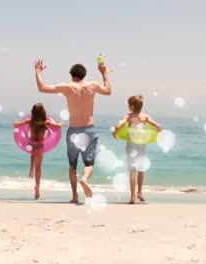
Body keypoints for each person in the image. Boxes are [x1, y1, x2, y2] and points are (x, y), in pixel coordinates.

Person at [34, 58, 112, 203]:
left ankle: (75, 196)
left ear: (72, 75)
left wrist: (38, 72)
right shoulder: (93, 85)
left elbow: (42, 88)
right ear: (84, 75)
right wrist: (103, 73)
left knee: (72, 165)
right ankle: (84, 179)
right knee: (89, 164)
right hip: (89, 129)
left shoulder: (67, 87)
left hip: (74, 130)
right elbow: (108, 91)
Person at [112, 95, 162, 204]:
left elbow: (118, 126)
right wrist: (157, 134)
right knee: (141, 169)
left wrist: (115, 133)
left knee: (132, 171)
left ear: (133, 106)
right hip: (142, 144)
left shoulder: (128, 116)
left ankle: (133, 196)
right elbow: (158, 126)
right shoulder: (145, 117)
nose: (127, 106)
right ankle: (140, 192)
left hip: (131, 145)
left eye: (129, 104)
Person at [13, 103, 63, 199]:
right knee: (39, 168)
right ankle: (37, 187)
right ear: (43, 112)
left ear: (33, 112)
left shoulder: (30, 121)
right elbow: (58, 126)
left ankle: (31, 171)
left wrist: (19, 125)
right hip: (40, 145)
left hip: (31, 144)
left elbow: (15, 124)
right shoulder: (46, 123)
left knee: (32, 155)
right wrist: (61, 123)